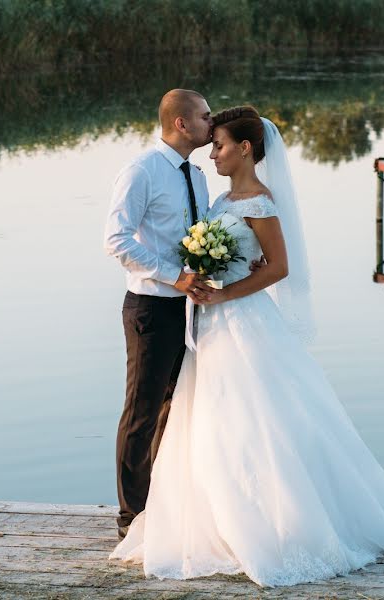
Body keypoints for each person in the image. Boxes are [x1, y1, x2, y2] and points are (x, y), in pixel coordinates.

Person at [109, 106, 384, 587]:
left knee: (255, 419)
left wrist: (223, 290)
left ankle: (273, 523)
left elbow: (277, 268)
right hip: (203, 320)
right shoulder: (216, 194)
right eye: (210, 137)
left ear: (245, 148)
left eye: (220, 143)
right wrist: (200, 279)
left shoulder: (259, 202)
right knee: (208, 420)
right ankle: (204, 517)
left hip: (239, 321)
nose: (213, 150)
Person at [103, 89, 217, 541]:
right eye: (206, 117)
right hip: (150, 307)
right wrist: (175, 276)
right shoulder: (141, 172)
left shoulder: (199, 175)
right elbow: (116, 240)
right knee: (142, 411)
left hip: (189, 305)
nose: (213, 123)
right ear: (182, 124)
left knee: (174, 406)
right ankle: (131, 518)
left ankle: (161, 508)